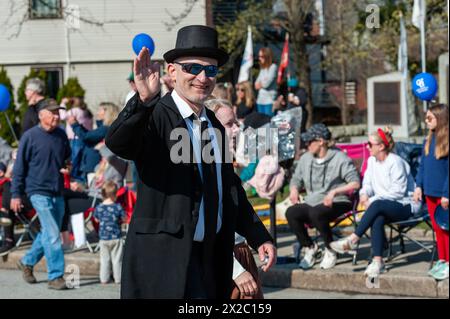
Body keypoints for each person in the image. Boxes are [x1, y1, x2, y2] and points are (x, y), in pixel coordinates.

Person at [105, 25, 276, 299]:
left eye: (210, 70)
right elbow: (118, 143)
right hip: (164, 261)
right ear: (172, 71)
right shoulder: (156, 115)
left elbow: (228, 188)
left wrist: (258, 235)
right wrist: (144, 101)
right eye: (192, 68)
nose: (202, 77)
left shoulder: (214, 126)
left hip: (209, 259)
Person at [331, 127, 422, 277]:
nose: (367, 146)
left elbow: (397, 192)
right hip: (383, 205)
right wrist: (364, 195)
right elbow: (366, 183)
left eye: (370, 144)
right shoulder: (372, 161)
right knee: (377, 217)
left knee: (377, 206)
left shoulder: (396, 162)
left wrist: (372, 200)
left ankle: (353, 239)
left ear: (381, 146)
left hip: (406, 205)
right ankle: (378, 261)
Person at [11, 98, 71, 290]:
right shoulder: (29, 136)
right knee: (53, 234)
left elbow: (67, 159)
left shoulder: (61, 135)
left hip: (57, 190)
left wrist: (67, 167)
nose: (56, 116)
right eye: (52, 112)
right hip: (37, 191)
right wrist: (15, 194)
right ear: (41, 115)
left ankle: (27, 261)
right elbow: (19, 168)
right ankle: (56, 276)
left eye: (58, 112)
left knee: (47, 232)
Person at [206, 98, 264, 299]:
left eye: (236, 123)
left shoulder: (225, 165)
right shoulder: (200, 169)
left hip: (241, 252)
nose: (238, 129)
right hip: (223, 261)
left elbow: (242, 209)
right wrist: (235, 270)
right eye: (230, 124)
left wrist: (262, 239)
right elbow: (203, 231)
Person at [286, 123, 360, 270]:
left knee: (316, 213)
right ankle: (310, 247)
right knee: (292, 212)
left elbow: (355, 183)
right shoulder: (306, 158)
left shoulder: (340, 158)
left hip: (338, 201)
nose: (306, 145)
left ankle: (331, 250)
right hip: (313, 200)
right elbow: (295, 179)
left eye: (309, 141)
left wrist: (334, 192)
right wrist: (294, 189)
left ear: (321, 142)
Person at [414, 104, 449, 280]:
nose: (426, 121)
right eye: (426, 118)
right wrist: (418, 186)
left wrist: (446, 194)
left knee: (446, 229)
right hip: (430, 193)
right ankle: (442, 259)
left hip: (443, 195)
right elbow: (422, 167)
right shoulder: (427, 140)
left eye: (430, 118)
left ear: (440, 119)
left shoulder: (447, 140)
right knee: (437, 228)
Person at [67, 102, 120, 182]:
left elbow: (86, 137)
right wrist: (77, 125)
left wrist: (75, 125)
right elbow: (90, 136)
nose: (97, 112)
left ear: (107, 112)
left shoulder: (105, 129)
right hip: (94, 165)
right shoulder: (104, 128)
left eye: (100, 110)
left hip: (94, 166)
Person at [93, 180, 126, 284]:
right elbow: (124, 218)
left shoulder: (98, 208)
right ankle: (118, 279)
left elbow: (96, 219)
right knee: (117, 260)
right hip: (116, 237)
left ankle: (104, 279)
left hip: (103, 238)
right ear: (114, 195)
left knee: (104, 260)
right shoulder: (118, 207)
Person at [60, 96, 94, 181]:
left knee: (74, 160)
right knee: (81, 160)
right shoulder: (87, 112)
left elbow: (62, 116)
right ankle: (81, 178)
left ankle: (74, 178)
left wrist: (63, 103)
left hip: (75, 138)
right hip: (85, 137)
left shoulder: (75, 111)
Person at [254, 47, 277, 117]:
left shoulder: (273, 67)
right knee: (261, 124)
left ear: (266, 56)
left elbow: (266, 84)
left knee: (269, 123)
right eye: (259, 56)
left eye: (261, 56)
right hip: (260, 100)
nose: (259, 58)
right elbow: (256, 83)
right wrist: (262, 83)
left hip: (269, 101)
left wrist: (261, 83)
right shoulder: (262, 69)